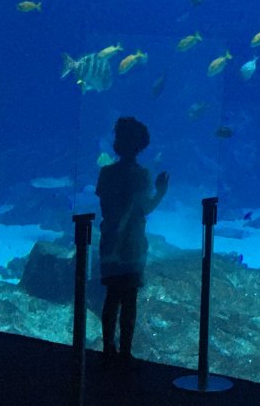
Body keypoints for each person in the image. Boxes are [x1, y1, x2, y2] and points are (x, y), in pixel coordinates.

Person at [95, 116, 168, 366]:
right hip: (133, 246)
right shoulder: (143, 174)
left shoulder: (106, 173)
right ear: (141, 146)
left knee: (111, 297)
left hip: (110, 242)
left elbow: (105, 208)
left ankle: (108, 349)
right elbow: (145, 208)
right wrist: (161, 191)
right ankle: (125, 352)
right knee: (129, 300)